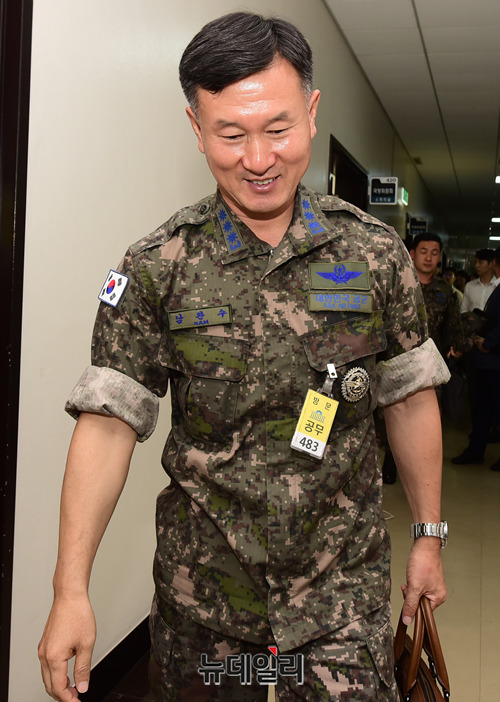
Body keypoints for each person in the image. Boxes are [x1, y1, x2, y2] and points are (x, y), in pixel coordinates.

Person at [38, 12, 449, 702]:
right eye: (231, 135)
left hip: (341, 601)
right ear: (197, 128)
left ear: (311, 114)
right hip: (204, 605)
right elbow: (107, 427)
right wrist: (69, 589)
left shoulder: (375, 253)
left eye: (278, 129)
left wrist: (429, 538)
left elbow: (408, 398)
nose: (258, 160)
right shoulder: (157, 266)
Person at [452, 247, 500, 469]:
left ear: (494, 263)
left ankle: (478, 448)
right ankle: (476, 449)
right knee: (481, 406)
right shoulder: (474, 287)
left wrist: (488, 343)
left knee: (492, 406)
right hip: (482, 357)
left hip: (493, 357)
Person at [409, 233, 464, 360]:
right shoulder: (399, 284)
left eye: (434, 253)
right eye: (423, 252)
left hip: (433, 360)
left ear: (439, 257)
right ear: (412, 254)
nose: (428, 258)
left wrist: (456, 347)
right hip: (398, 360)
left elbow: (453, 325)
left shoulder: (445, 290)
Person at [460, 248, 496, 313]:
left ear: (491, 264)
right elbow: (464, 311)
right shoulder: (469, 286)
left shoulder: (497, 286)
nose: (476, 266)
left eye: (480, 262)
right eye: (476, 262)